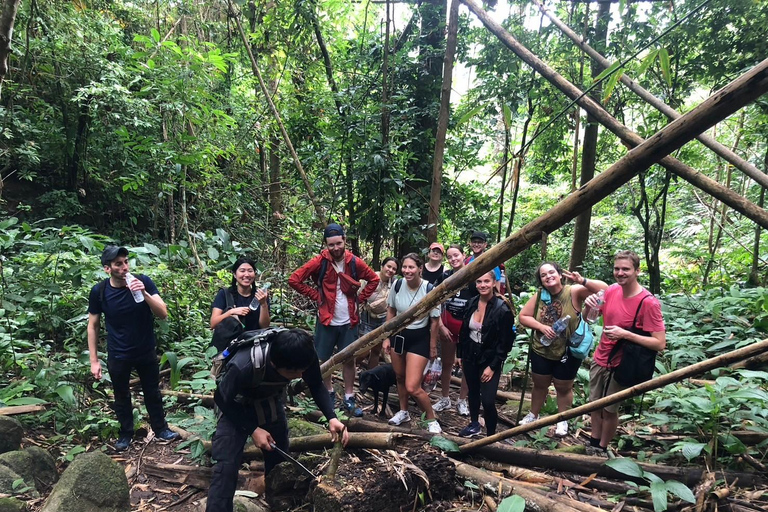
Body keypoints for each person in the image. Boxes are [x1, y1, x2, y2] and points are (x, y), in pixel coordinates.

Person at [206, 328, 349, 512]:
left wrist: (332, 417)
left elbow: (315, 383)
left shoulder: (303, 355)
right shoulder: (244, 365)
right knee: (226, 466)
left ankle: (277, 505)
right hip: (235, 406)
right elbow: (221, 398)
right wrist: (253, 429)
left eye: (303, 370)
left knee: (279, 462)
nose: (300, 375)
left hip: (269, 401)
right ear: (275, 365)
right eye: (296, 372)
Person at [87, 246, 180, 451]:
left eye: (126, 262)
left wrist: (144, 293)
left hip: (145, 350)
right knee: (121, 395)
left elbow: (163, 313)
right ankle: (126, 433)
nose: (124, 267)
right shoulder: (100, 291)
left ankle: (161, 428)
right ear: (107, 269)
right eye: (118, 264)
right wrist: (94, 360)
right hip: (118, 354)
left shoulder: (143, 281)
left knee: (152, 392)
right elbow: (93, 325)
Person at [288, 223, 379, 417]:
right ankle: (328, 393)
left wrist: (360, 299)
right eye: (331, 245)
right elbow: (294, 279)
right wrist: (316, 296)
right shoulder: (319, 262)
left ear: (344, 240)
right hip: (326, 319)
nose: (336, 248)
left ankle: (349, 396)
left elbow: (374, 279)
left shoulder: (354, 262)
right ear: (326, 245)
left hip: (349, 320)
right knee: (324, 359)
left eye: (339, 243)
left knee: (349, 359)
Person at [584, 250, 665, 455]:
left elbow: (659, 343)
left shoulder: (648, 302)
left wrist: (625, 334)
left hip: (623, 364)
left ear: (637, 271)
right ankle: (593, 442)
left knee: (609, 409)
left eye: (626, 269)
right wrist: (587, 307)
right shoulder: (611, 291)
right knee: (594, 404)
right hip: (601, 358)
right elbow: (588, 319)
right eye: (617, 269)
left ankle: (602, 447)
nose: (620, 273)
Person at [518, 262, 608, 436]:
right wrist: (541, 327)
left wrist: (582, 281)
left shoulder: (573, 291)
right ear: (541, 281)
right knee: (539, 384)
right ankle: (533, 415)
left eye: (551, 272)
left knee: (563, 386)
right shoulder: (539, 295)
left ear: (560, 275)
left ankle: (563, 419)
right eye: (543, 275)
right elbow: (523, 316)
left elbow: (604, 289)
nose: (548, 276)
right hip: (542, 348)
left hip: (568, 350)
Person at [383, 253, 442, 434]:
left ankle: (432, 419)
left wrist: (432, 347)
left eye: (411, 267)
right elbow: (391, 311)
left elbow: (434, 321)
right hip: (399, 337)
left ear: (420, 269)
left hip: (419, 338)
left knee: (413, 386)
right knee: (399, 377)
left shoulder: (429, 289)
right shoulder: (397, 284)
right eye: (405, 267)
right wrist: (386, 337)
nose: (407, 271)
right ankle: (403, 411)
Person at [457, 270, 515, 437]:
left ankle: (491, 435)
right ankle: (474, 424)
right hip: (470, 355)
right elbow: (463, 331)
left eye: (486, 282)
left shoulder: (502, 309)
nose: (482, 285)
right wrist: (460, 354)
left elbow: (505, 343)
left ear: (494, 283)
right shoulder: (471, 303)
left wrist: (492, 366)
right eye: (479, 282)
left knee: (488, 400)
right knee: (473, 392)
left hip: (490, 359)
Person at [433, 244, 471, 416]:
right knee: (447, 363)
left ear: (463, 255)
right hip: (447, 326)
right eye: (450, 257)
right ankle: (445, 398)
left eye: (456, 255)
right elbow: (434, 301)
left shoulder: (473, 275)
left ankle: (462, 400)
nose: (454, 259)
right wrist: (440, 326)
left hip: (467, 329)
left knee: (467, 366)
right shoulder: (445, 276)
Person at [211, 258, 270, 334]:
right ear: (235, 274)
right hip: (231, 343)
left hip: (254, 342)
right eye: (242, 271)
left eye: (250, 271)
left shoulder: (260, 295)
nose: (246, 274)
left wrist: (263, 304)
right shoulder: (224, 294)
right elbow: (213, 324)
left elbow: (264, 326)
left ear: (254, 274)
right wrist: (231, 312)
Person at [360, 257, 399, 369]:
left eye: (394, 269)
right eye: (388, 266)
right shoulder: (370, 278)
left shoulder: (395, 284)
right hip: (367, 316)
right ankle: (349, 369)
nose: (390, 270)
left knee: (376, 350)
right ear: (382, 266)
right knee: (363, 350)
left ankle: (371, 376)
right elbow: (359, 295)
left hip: (383, 318)